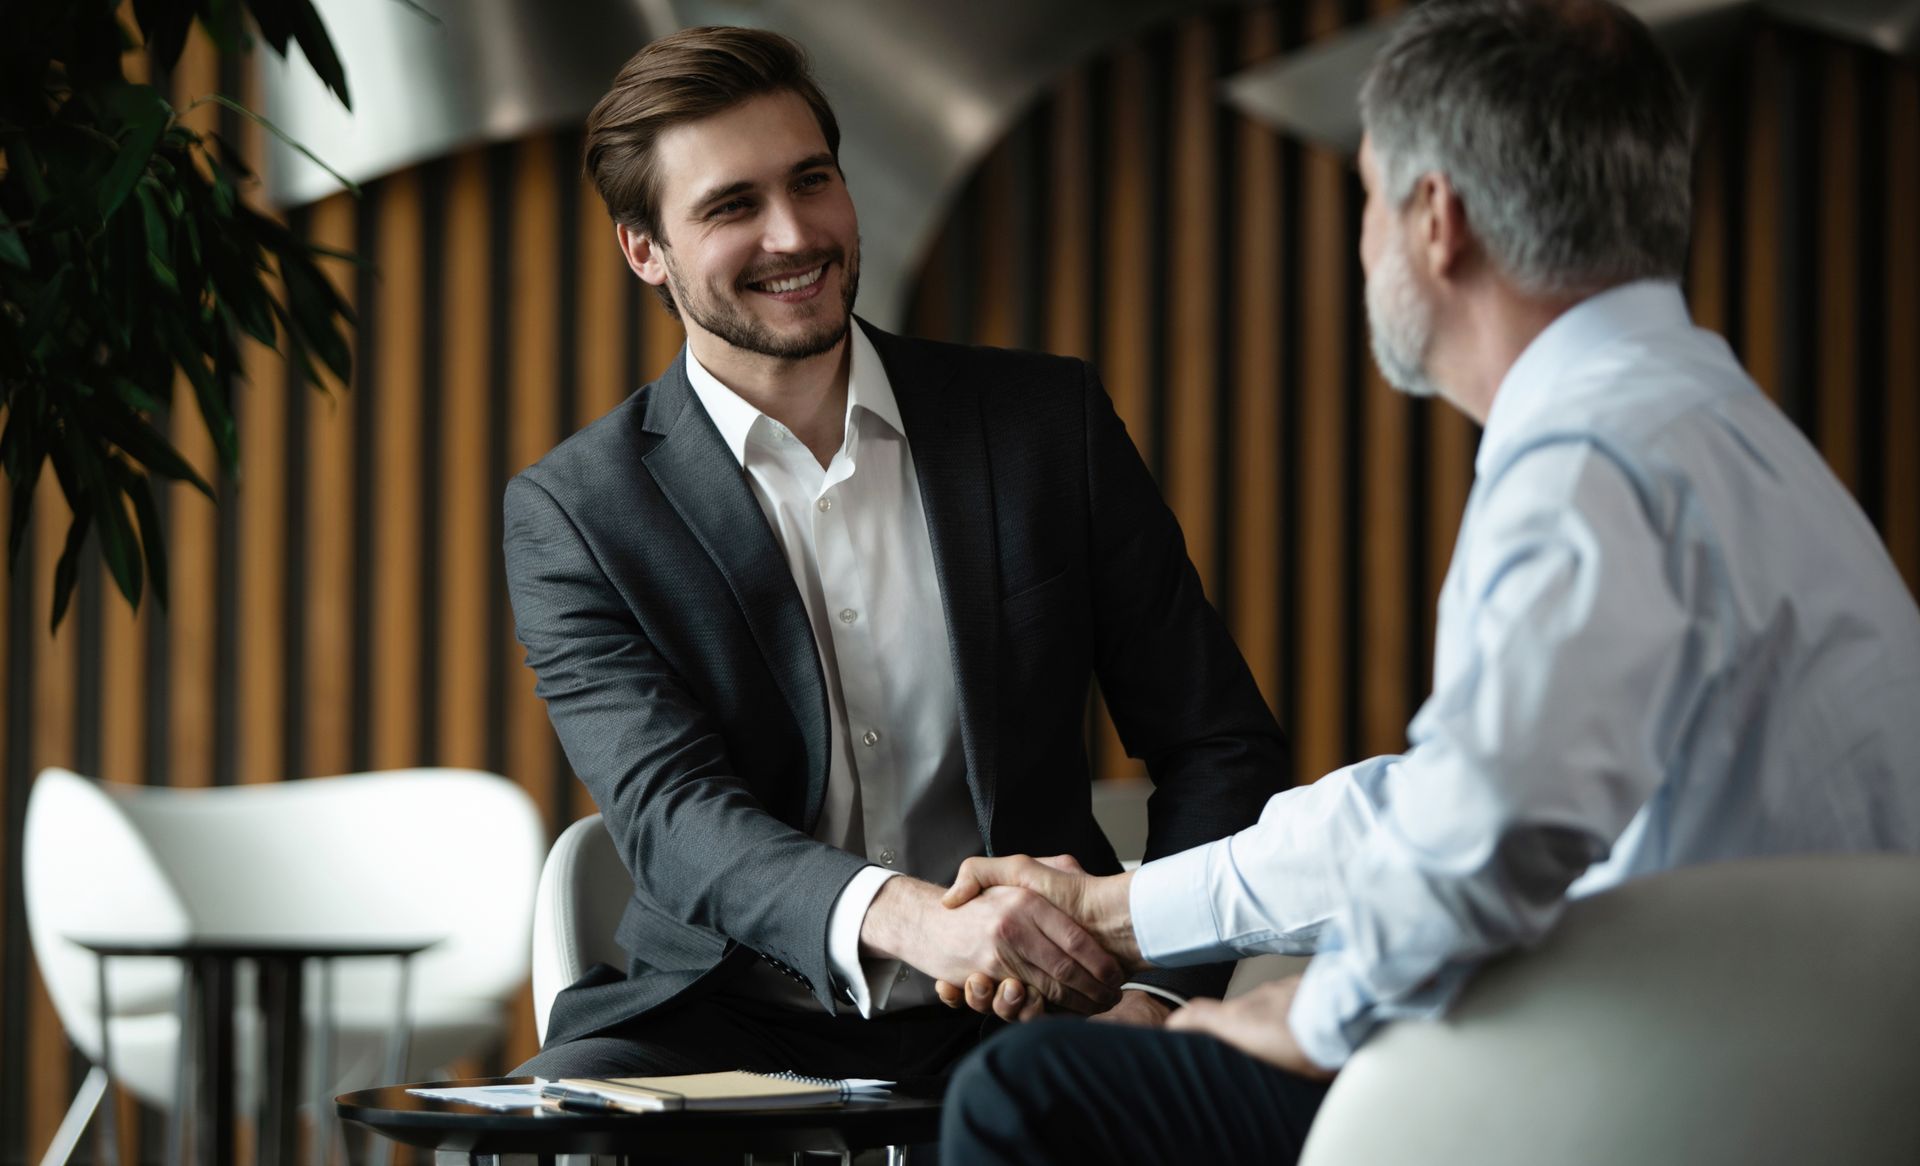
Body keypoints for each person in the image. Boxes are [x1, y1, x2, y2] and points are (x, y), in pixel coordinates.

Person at [935, 0, 1920, 1160]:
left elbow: (1480, 847)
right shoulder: (1729, 434)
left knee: (1024, 1091)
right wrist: (1119, 906)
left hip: (1628, 1100)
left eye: (1366, 199)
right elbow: (1448, 802)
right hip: (1792, 1079)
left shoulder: (1584, 467)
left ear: (1436, 218)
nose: (1363, 244)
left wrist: (1305, 1012)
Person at [501, 26, 1288, 1083]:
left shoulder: (1045, 424)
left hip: (1047, 1010)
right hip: (729, 1008)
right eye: (733, 206)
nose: (794, 233)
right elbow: (674, 814)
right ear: (645, 249)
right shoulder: (577, 512)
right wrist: (914, 920)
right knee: (538, 1125)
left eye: (812, 181)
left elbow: (1218, 740)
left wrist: (1155, 994)